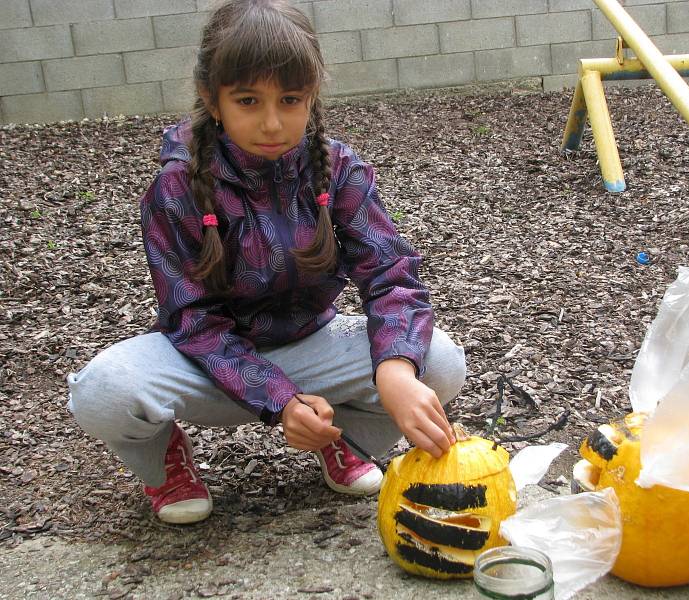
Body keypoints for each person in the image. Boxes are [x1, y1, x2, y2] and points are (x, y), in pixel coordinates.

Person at [66, 0, 465, 525]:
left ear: (312, 96)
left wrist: (394, 370)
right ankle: (164, 463)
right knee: (104, 392)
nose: (273, 123)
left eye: (291, 99)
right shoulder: (176, 187)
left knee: (434, 363)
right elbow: (194, 321)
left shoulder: (338, 169)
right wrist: (281, 401)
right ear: (213, 99)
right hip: (207, 365)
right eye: (249, 100)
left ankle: (341, 437)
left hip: (312, 346)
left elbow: (391, 274)